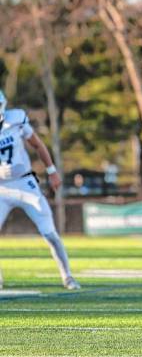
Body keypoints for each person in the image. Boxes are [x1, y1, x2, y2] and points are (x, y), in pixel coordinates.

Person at [0, 90, 80, 290]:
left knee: (50, 233)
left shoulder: (16, 119)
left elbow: (37, 144)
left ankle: (67, 277)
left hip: (25, 184)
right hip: (1, 189)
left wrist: (52, 171)